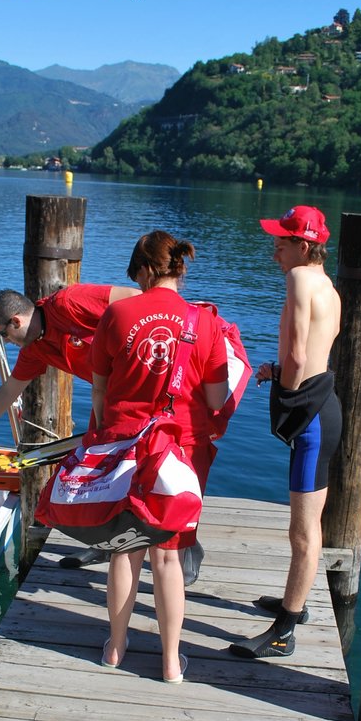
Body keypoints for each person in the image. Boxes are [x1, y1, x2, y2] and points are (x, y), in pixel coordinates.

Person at [91, 231, 229, 683]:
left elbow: (100, 393)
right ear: (179, 269)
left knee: (124, 549)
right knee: (168, 557)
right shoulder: (205, 322)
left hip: (125, 448)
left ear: (146, 270)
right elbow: (216, 396)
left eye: (135, 274)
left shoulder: (116, 314)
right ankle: (170, 663)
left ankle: (115, 648)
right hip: (180, 452)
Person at [0, 282, 141, 571]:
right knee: (96, 474)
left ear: (16, 321)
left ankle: (182, 547)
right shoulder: (35, 350)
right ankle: (107, 542)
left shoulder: (68, 303)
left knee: (150, 477)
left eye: (4, 335)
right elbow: (9, 391)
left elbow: (136, 298)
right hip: (112, 400)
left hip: (147, 387)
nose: (6, 341)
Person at [229, 205, 342, 660]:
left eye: (281, 241)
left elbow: (297, 357)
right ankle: (293, 601)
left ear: (304, 245)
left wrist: (282, 385)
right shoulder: (326, 286)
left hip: (311, 416)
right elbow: (315, 351)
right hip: (324, 405)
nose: (274, 249)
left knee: (303, 531)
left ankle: (284, 630)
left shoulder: (298, 281)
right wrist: (281, 372)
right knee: (305, 526)